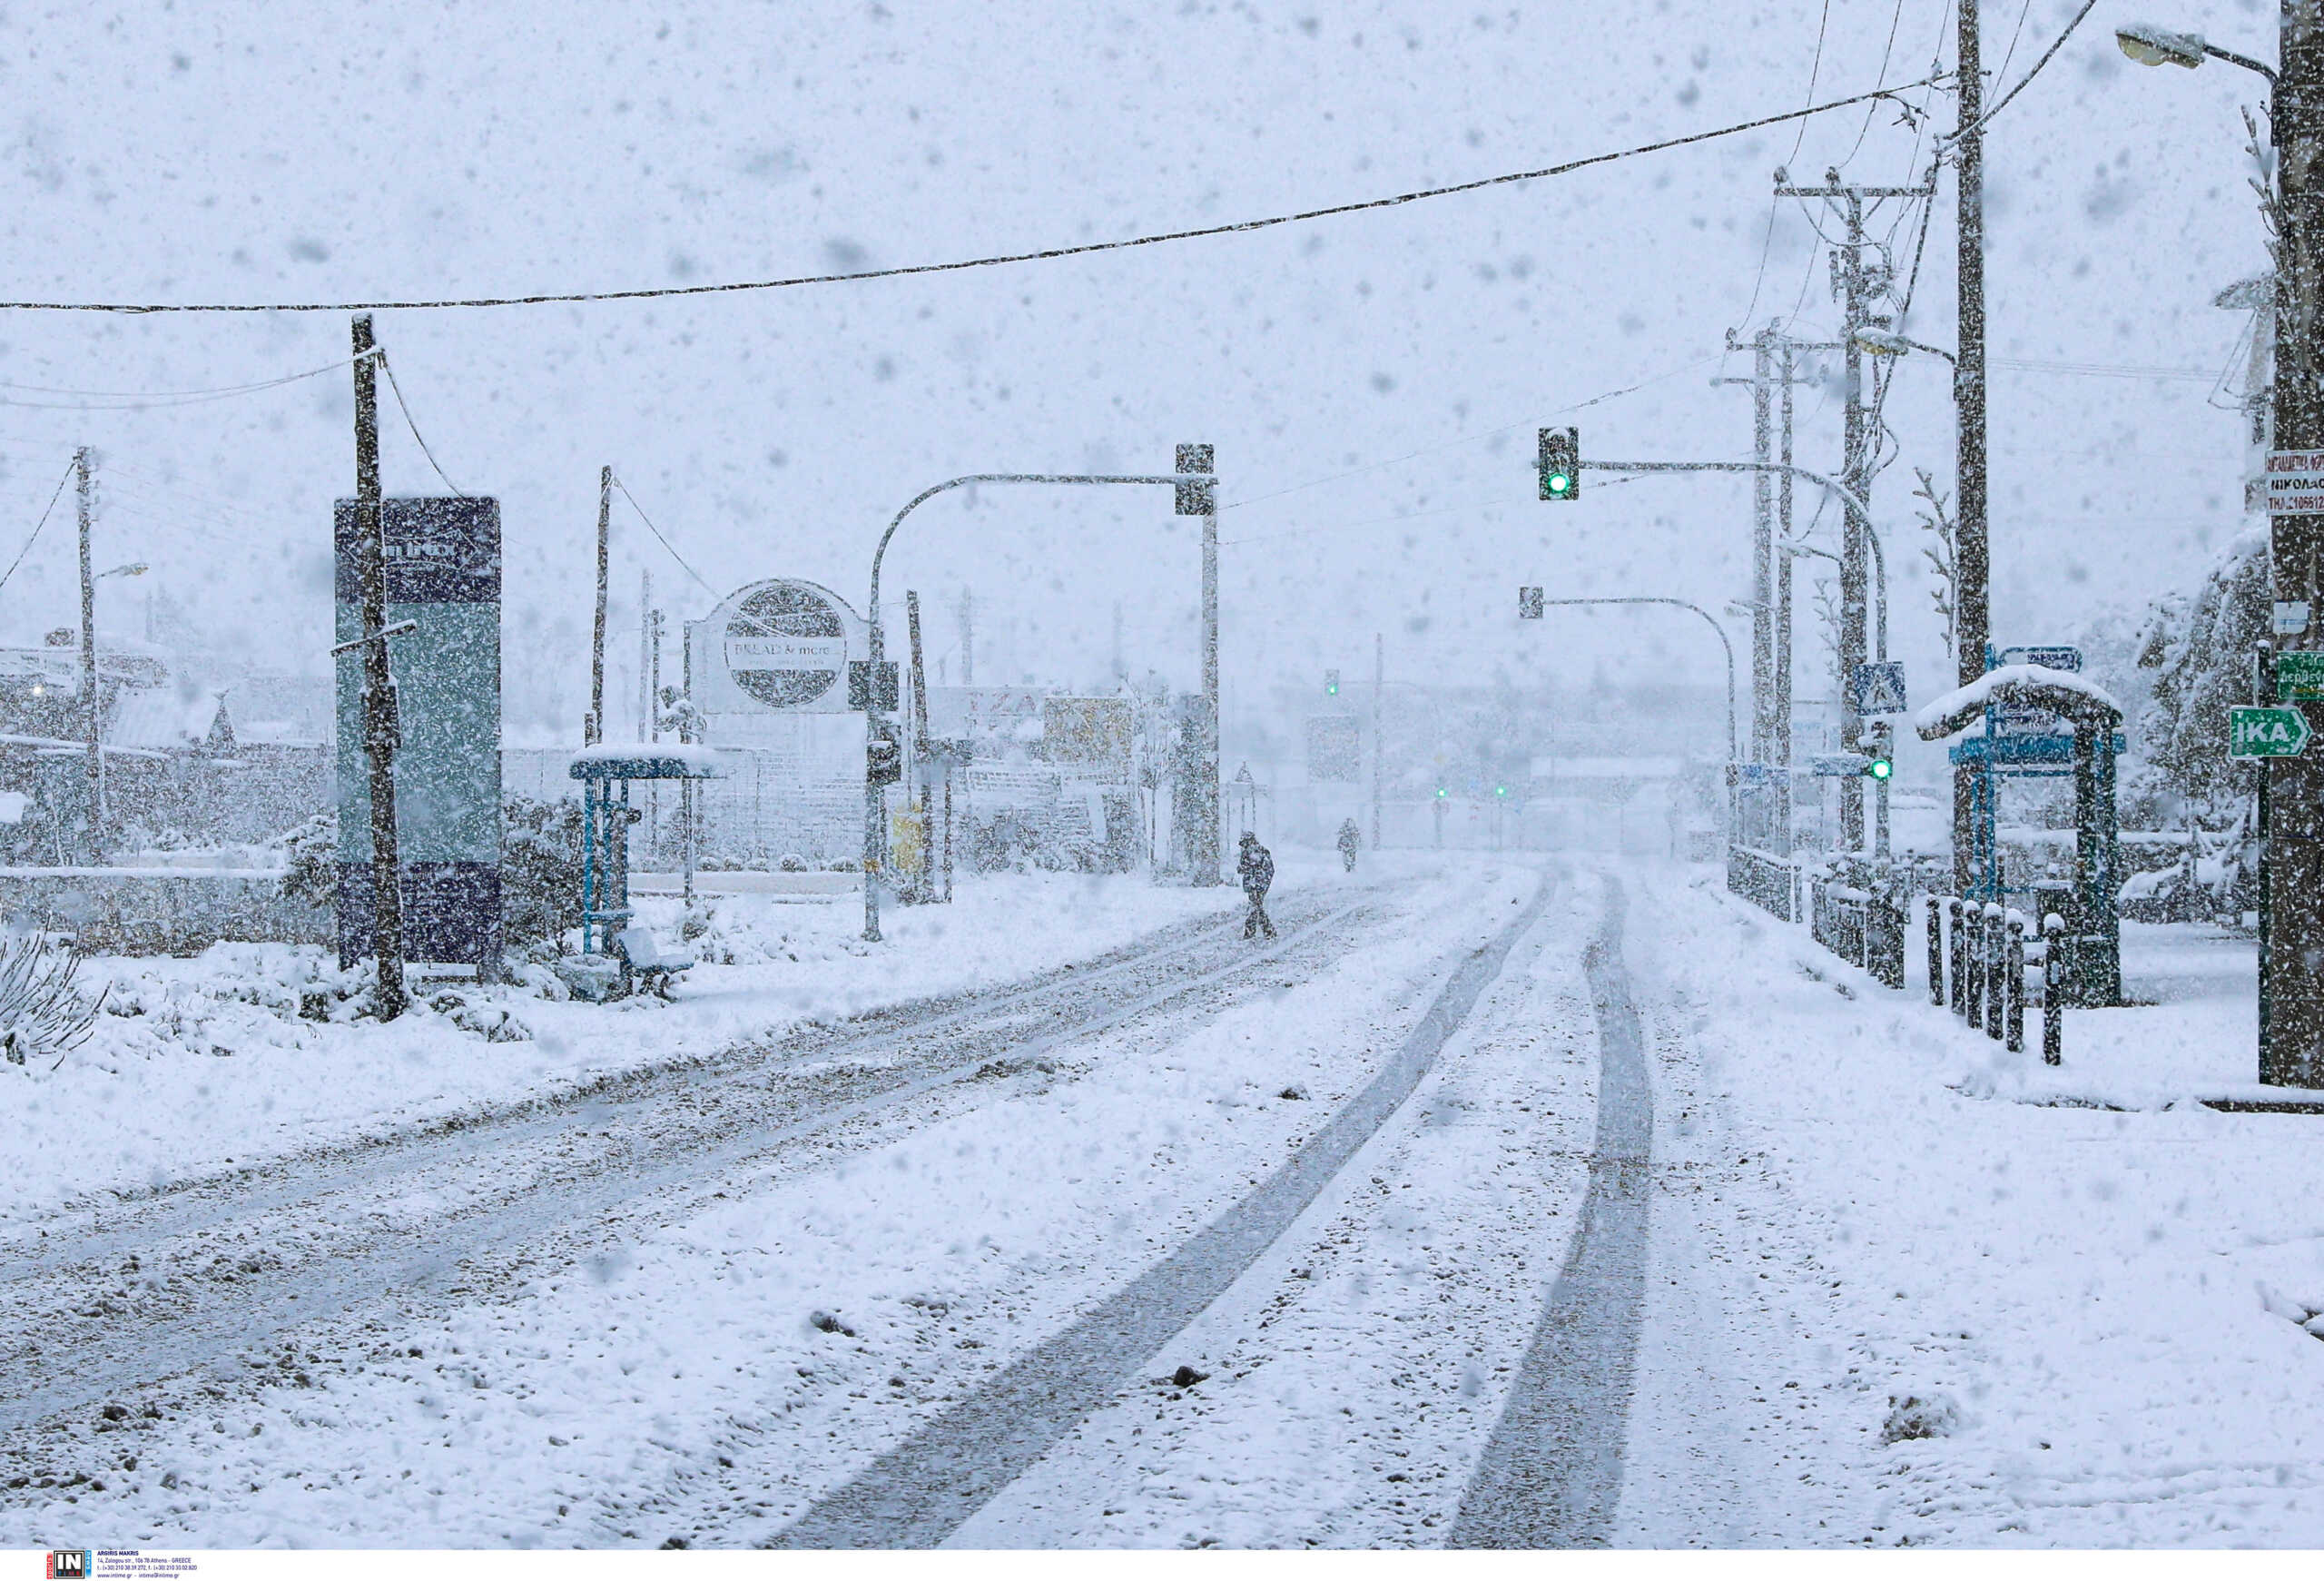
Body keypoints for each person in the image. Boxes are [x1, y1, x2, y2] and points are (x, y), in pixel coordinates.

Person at [1237, 831, 1276, 940]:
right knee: (1257, 906)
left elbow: (1250, 867)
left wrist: (1255, 879)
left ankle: (1254, 930)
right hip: (1258, 883)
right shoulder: (1260, 851)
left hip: (1255, 884)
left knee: (1255, 907)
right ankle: (1266, 930)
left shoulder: (1253, 852)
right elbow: (1267, 869)